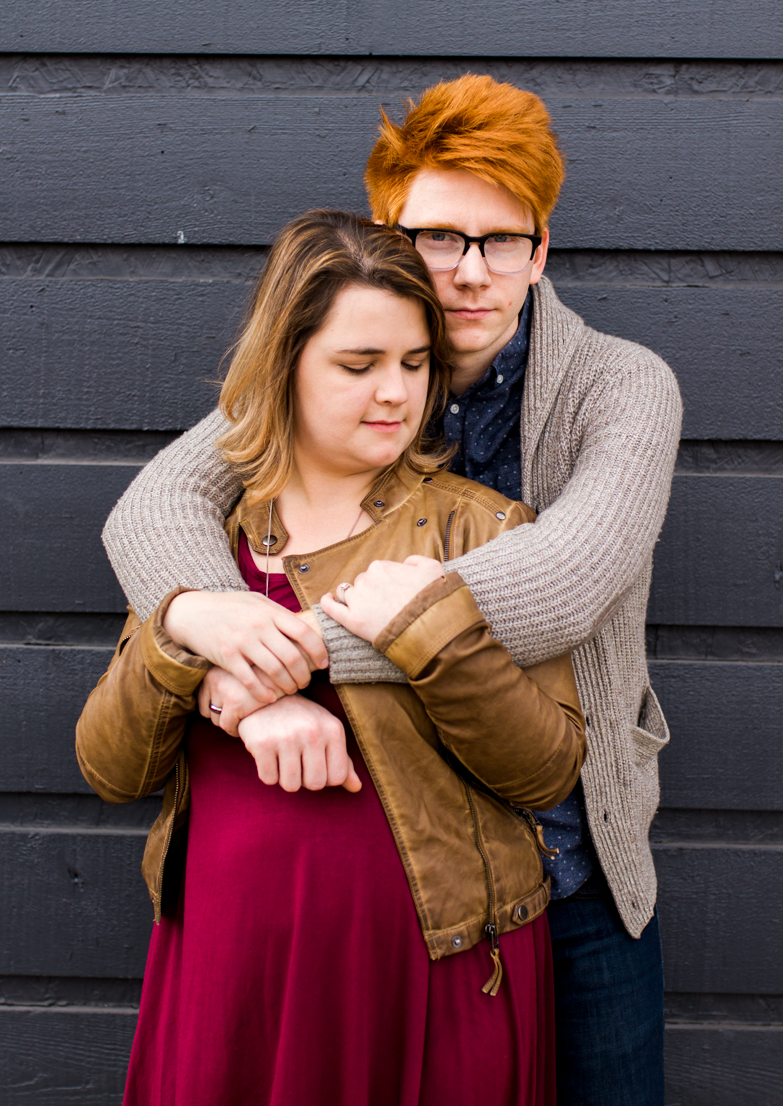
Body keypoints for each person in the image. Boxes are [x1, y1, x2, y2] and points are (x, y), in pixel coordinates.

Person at [102, 75, 682, 1105]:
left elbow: (560, 581)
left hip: (570, 853)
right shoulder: (343, 370)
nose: (468, 272)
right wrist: (198, 632)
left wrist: (282, 657)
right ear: (384, 231)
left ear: (540, 251)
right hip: (390, 876)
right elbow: (153, 510)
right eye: (437, 237)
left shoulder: (620, 385)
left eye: (501, 240)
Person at [79, 211, 586, 1106]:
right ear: (285, 365)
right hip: (230, 977)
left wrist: (429, 634)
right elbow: (111, 765)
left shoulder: (481, 526)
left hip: (432, 979)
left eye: (415, 364)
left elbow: (544, 767)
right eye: (359, 366)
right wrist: (196, 647)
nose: (395, 393)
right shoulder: (206, 541)